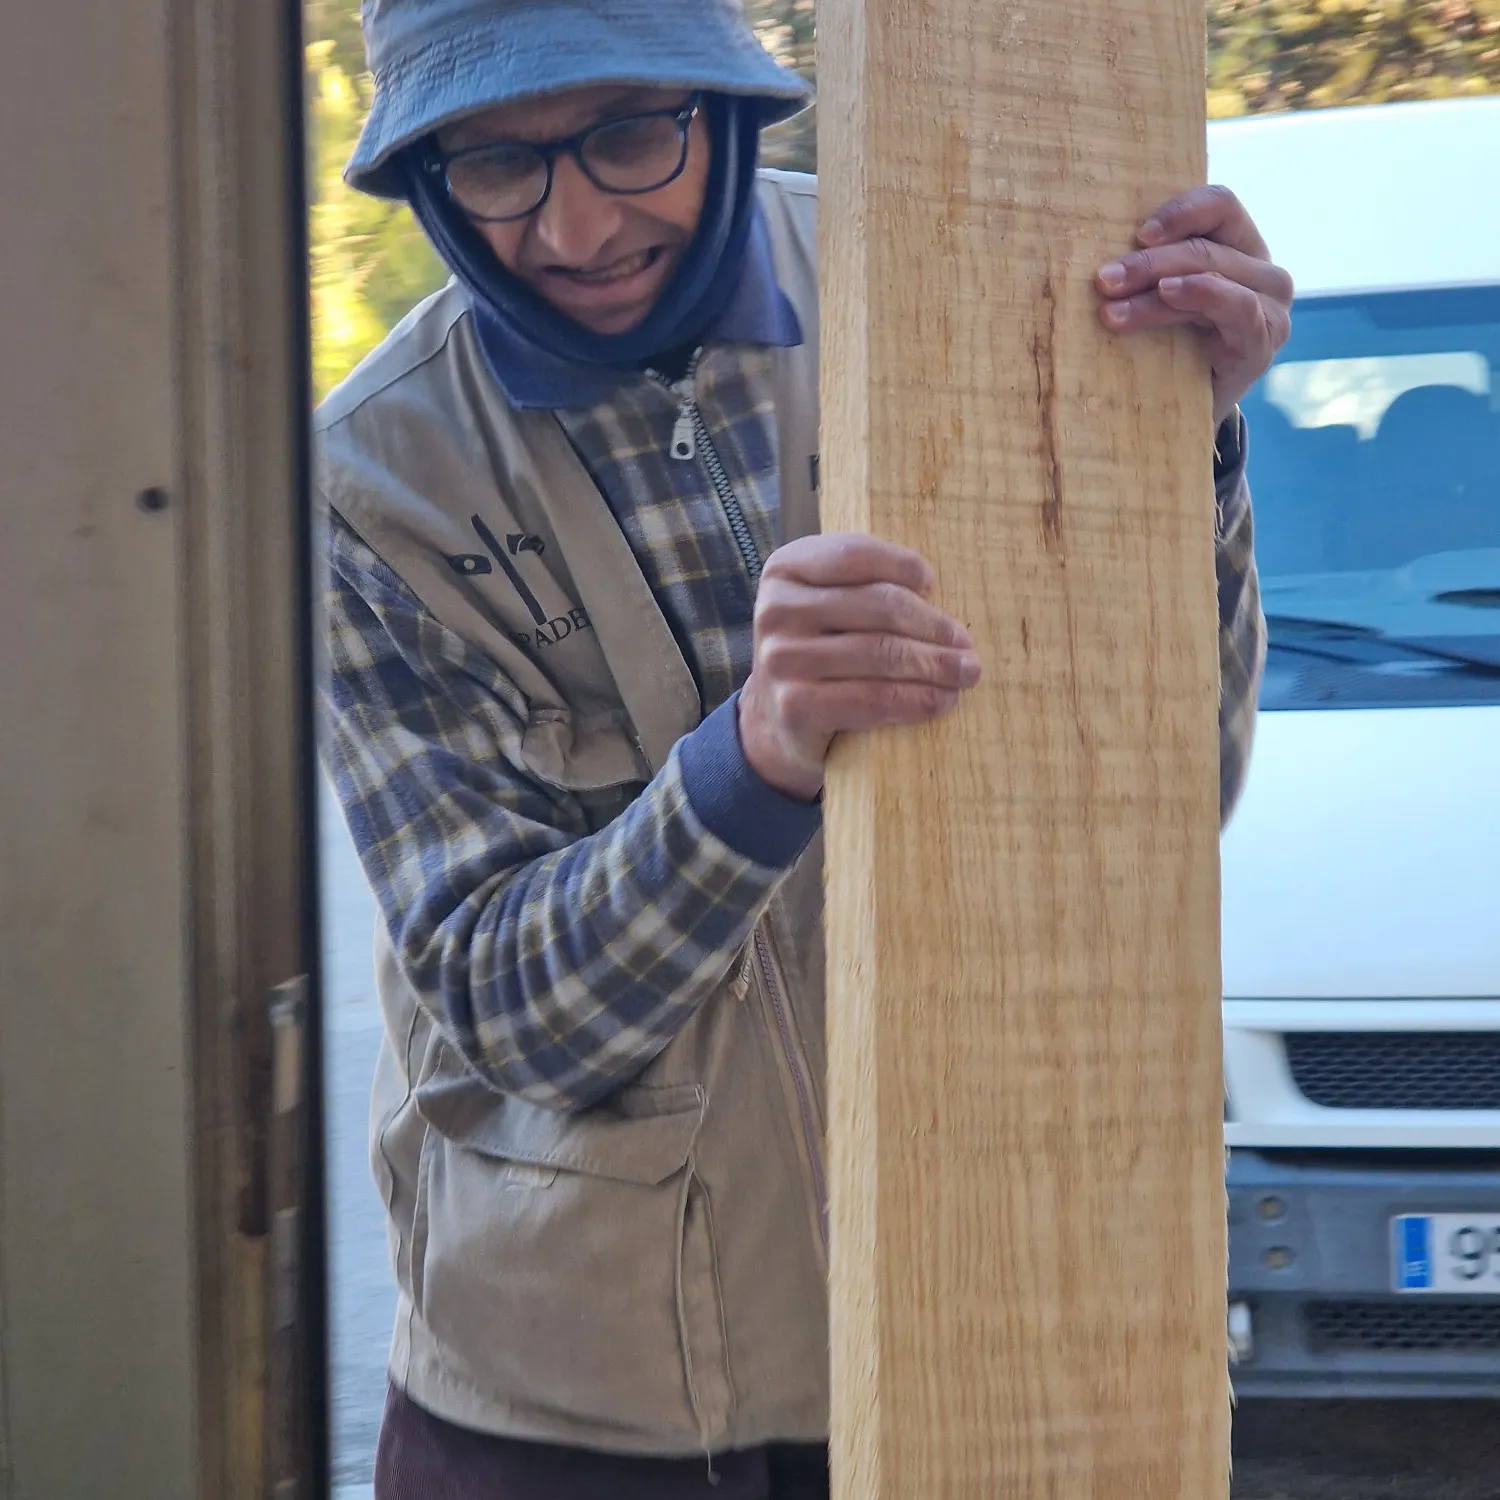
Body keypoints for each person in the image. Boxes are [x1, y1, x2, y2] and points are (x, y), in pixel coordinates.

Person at [317, 1, 1285, 1494]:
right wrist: (754, 761)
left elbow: (1171, 806)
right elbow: (517, 1015)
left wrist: (1177, 450)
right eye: (497, 166)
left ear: (722, 114)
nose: (573, 226)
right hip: (579, 1410)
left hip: (995, 1330)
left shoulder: (962, 286)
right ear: (430, 178)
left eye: (628, 136)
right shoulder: (373, 483)